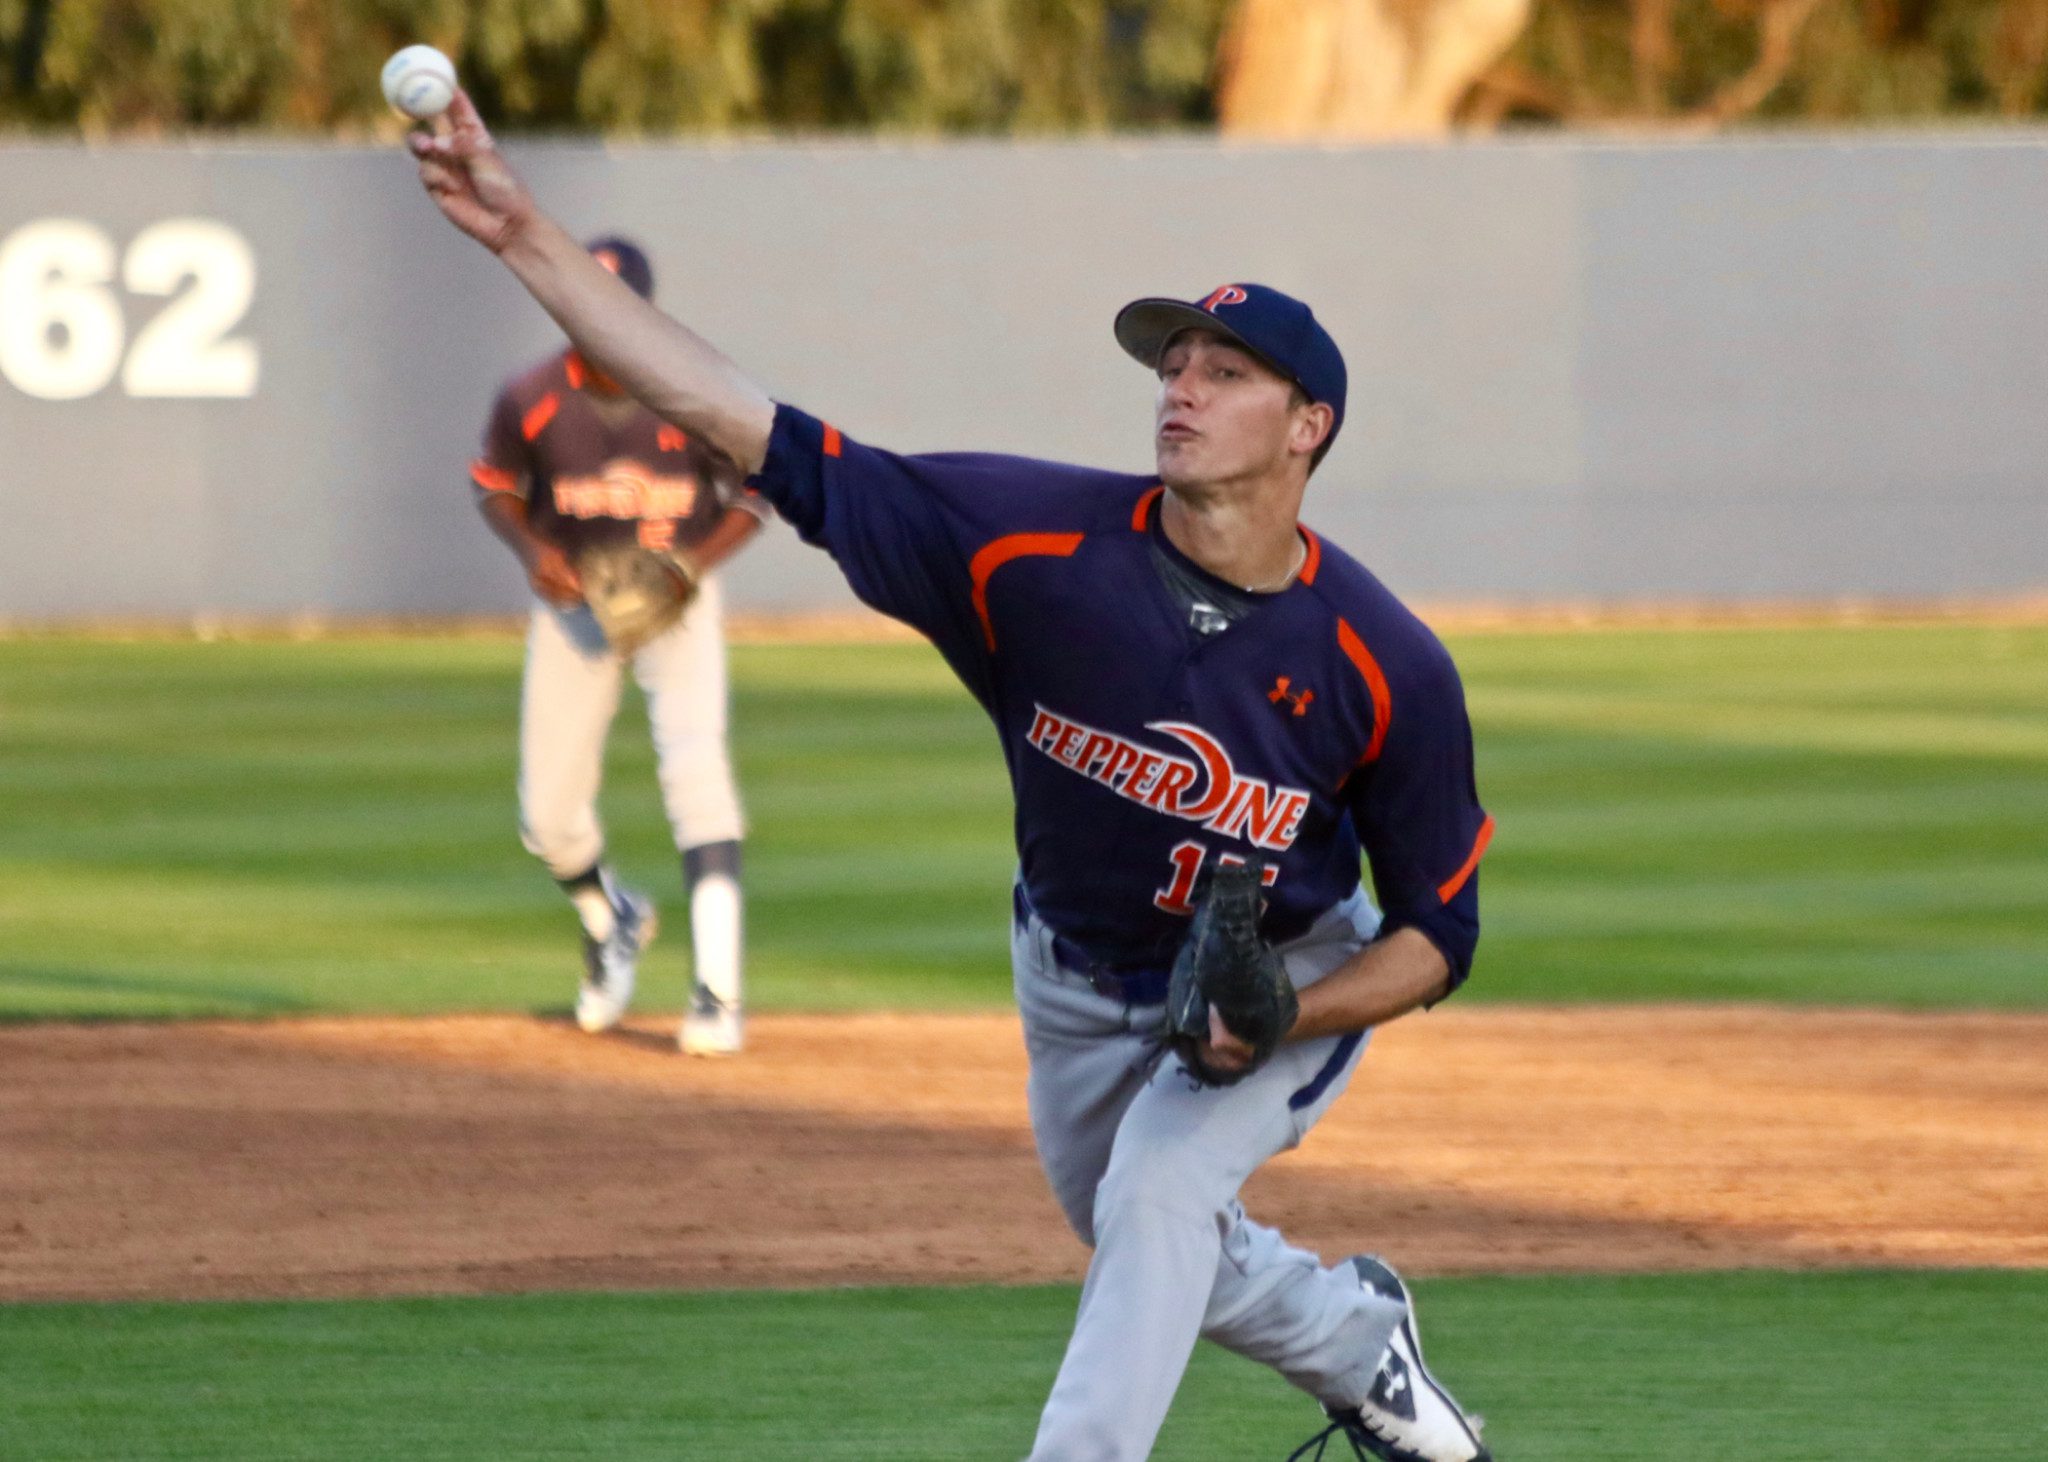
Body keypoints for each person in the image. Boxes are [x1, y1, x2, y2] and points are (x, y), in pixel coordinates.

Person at [412, 94, 1496, 1462]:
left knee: (1159, 1193)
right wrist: (523, 234)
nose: (1180, 387)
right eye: (1173, 363)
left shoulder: (1384, 663)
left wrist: (1285, 1011)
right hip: (1070, 974)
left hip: (1279, 965)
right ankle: (1355, 1342)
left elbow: (1438, 934)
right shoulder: (1023, 547)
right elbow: (747, 425)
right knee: (1129, 1223)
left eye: (1225, 373)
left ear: (1306, 426)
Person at [467, 233, 764, 1056]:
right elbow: (494, 485)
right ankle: (611, 916)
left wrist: (692, 567)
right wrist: (534, 551)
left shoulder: (693, 392)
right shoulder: (531, 396)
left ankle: (717, 993)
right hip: (576, 606)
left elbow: (756, 494)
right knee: (547, 816)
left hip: (676, 601)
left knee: (697, 771)